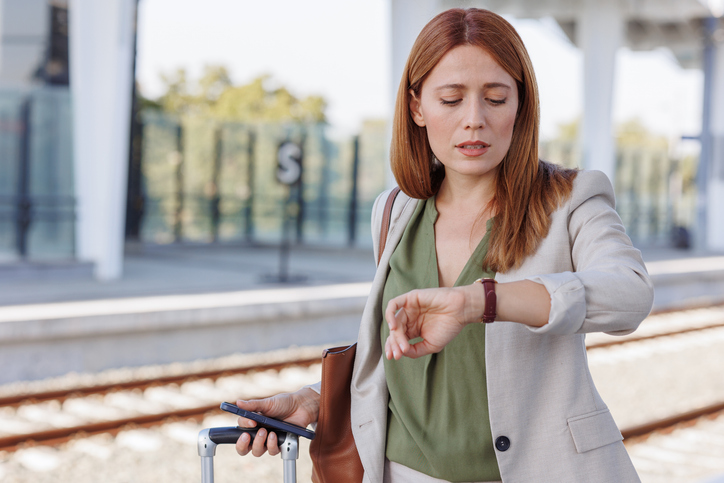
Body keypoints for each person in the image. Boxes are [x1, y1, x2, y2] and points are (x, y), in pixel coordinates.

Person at [234, 8, 654, 483]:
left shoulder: (571, 199)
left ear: (521, 104)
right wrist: (314, 400)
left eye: (496, 98)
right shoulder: (394, 211)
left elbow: (630, 294)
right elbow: (396, 360)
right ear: (417, 108)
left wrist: (481, 301)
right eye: (451, 99)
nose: (473, 120)